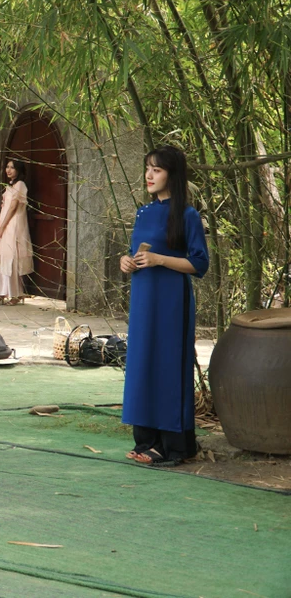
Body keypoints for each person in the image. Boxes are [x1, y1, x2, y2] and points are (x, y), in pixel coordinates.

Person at [120, 145, 209, 467]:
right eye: (147, 168)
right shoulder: (143, 213)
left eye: (156, 170)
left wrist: (160, 259)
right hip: (143, 299)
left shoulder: (187, 215)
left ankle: (174, 445)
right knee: (143, 365)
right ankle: (146, 440)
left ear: (173, 174)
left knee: (168, 367)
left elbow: (200, 264)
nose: (149, 175)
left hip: (171, 301)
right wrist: (126, 261)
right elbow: (133, 252)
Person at [0, 159, 33, 306]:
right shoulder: (9, 186)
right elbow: (3, 208)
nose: (9, 170)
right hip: (5, 224)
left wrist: (3, 226)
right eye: (7, 167)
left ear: (19, 170)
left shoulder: (20, 185)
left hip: (14, 225)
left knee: (11, 258)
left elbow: (13, 208)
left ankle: (15, 294)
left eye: (12, 168)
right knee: (2, 258)